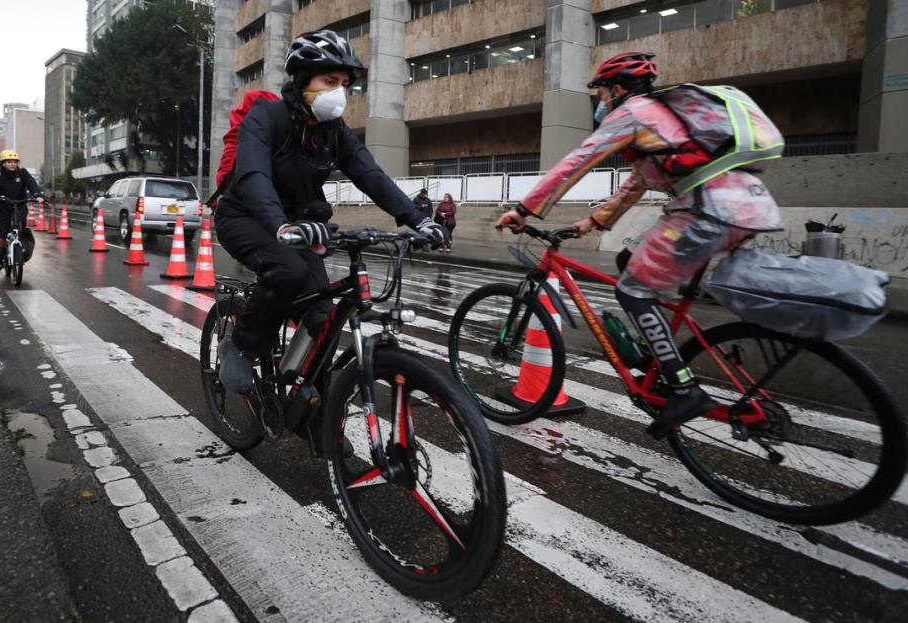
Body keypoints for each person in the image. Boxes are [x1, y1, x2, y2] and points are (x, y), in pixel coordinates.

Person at [498, 52, 783, 438]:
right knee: (628, 258)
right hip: (744, 207)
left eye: (601, 93)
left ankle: (683, 388)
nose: (601, 101)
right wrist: (594, 221)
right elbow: (637, 181)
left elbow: (577, 161)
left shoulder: (632, 113)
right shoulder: (661, 120)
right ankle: (660, 357)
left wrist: (523, 210)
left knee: (633, 290)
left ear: (616, 89)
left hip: (707, 212)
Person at [214, 29, 447, 398]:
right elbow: (254, 175)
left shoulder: (333, 132)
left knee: (322, 316)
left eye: (344, 83)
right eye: (329, 80)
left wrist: (419, 219)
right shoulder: (266, 118)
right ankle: (240, 345)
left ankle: (315, 413)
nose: (339, 91)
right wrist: (281, 226)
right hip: (246, 217)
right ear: (303, 79)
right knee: (287, 271)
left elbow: (370, 174)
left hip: (300, 226)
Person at [0, 150, 42, 270]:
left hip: (19, 205)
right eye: (9, 162)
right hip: (1, 207)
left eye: (15, 162)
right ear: (3, 163)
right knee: (1, 232)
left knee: (21, 228)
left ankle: (21, 249)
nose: (12, 164)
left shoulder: (22, 173)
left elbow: (31, 184)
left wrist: (37, 195)